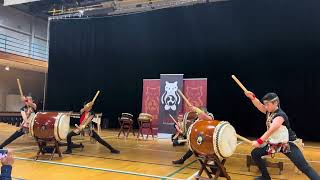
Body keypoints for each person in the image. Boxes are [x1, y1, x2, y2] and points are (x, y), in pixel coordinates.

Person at [245, 91, 320, 180]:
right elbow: (259, 105)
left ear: (275, 103)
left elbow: (270, 131)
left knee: (304, 167)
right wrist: (252, 97)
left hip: (287, 144)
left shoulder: (280, 116)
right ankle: (265, 177)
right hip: (275, 144)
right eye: (265, 104)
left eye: (267, 104)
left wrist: (259, 141)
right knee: (255, 153)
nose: (265, 106)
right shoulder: (269, 111)